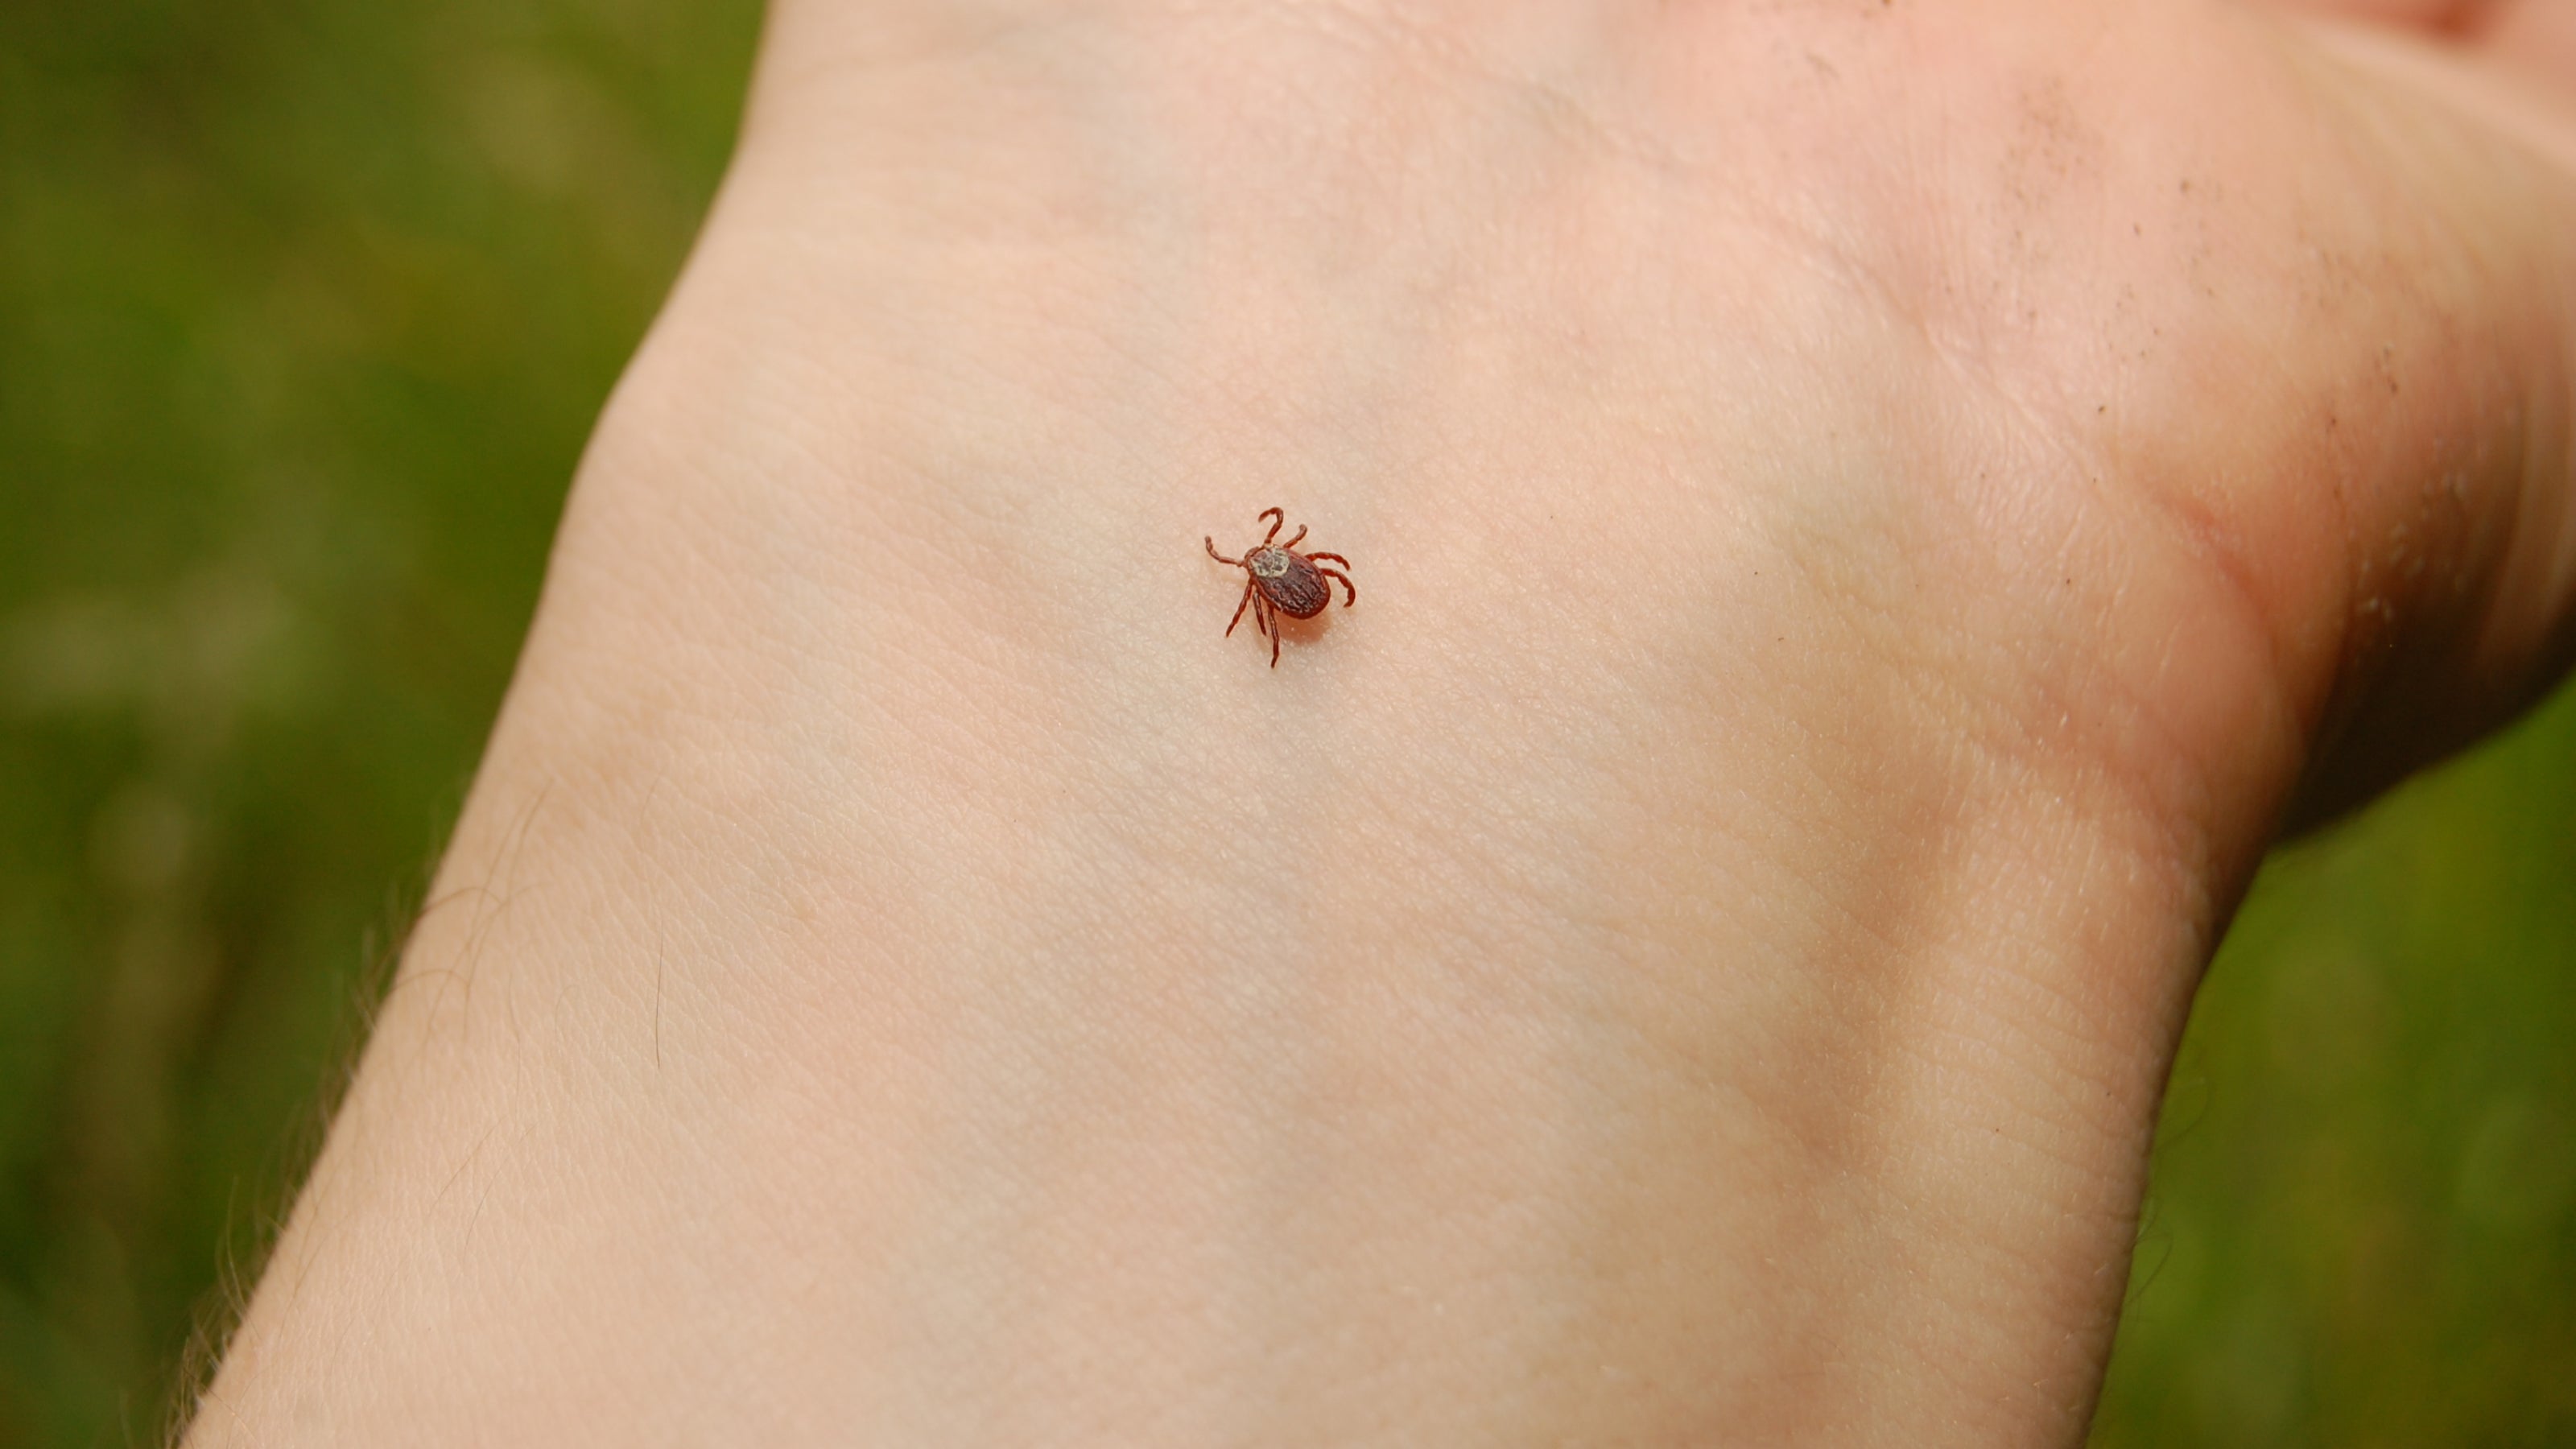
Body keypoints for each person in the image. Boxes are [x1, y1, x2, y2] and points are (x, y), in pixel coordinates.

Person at [182, 0, 2576, 1440]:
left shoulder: (1267, 581)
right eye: (1275, 576)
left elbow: (1302, 594)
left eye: (1275, 574)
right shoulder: (1302, 573)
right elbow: (1333, 594)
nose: (1277, 584)